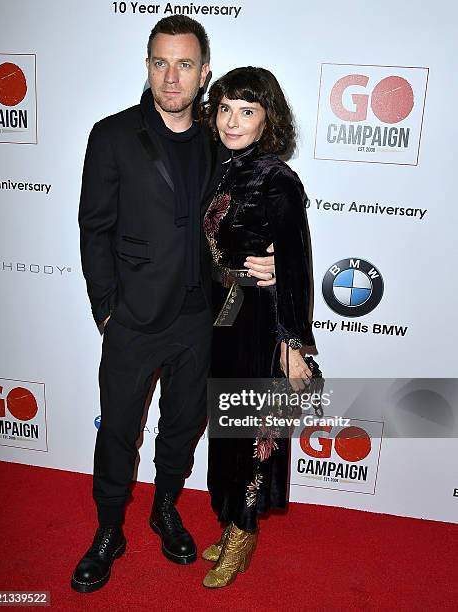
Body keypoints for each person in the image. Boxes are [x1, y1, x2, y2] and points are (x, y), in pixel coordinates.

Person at [72, 17, 275, 593]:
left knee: (183, 426)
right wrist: (107, 308)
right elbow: (95, 228)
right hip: (133, 317)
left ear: (203, 72)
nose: (171, 76)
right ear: (147, 65)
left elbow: (255, 209)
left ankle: (165, 507)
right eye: (160, 63)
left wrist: (277, 257)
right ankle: (108, 531)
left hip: (203, 317)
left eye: (184, 64)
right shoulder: (111, 135)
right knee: (117, 430)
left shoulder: (222, 140)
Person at [200, 66, 316, 588]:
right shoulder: (222, 168)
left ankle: (243, 538)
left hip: (263, 326)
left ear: (268, 119)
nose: (232, 120)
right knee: (227, 431)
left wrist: (293, 343)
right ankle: (228, 525)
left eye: (247, 111)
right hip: (226, 318)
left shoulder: (277, 179)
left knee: (254, 435)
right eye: (225, 107)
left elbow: (296, 265)